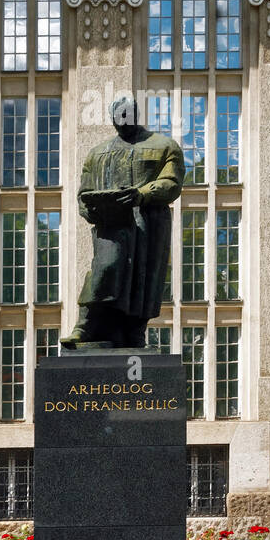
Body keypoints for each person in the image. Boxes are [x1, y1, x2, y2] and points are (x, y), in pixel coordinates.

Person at [62, 95, 184, 350]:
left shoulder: (164, 146)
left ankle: (134, 333)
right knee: (104, 270)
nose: (123, 121)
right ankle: (85, 326)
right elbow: (84, 192)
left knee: (145, 278)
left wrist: (143, 194)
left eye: (128, 115)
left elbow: (171, 183)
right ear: (112, 118)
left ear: (136, 115)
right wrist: (89, 209)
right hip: (112, 225)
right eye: (119, 117)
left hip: (149, 224)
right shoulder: (97, 154)